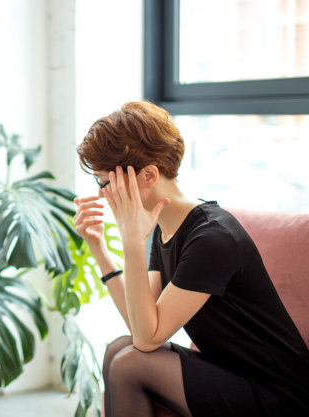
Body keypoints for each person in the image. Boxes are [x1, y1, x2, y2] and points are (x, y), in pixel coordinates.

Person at [74, 101, 309, 417]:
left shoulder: (211, 238)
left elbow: (147, 341)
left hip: (279, 393)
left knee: (131, 362)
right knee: (118, 347)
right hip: (230, 371)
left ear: (148, 176)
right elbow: (140, 323)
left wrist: (132, 242)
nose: (103, 194)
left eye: (105, 183)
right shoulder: (167, 228)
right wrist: (100, 250)